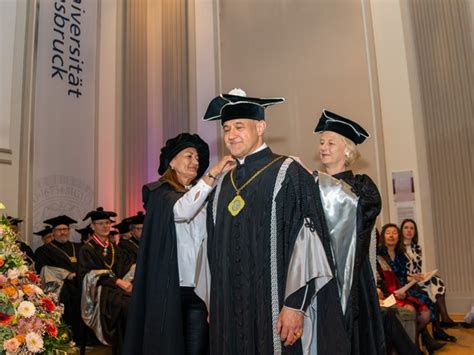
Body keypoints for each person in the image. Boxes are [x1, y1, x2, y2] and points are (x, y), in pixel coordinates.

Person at [198, 90, 333, 354]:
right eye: (226, 129)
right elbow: (211, 249)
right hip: (228, 310)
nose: (231, 135)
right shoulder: (223, 182)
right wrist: (213, 302)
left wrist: (295, 305)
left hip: (273, 310)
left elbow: (307, 243)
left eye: (239, 126)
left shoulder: (288, 173)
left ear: (260, 127)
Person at [124, 133, 235, 355]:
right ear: (171, 162)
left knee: (198, 349)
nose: (195, 162)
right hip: (168, 289)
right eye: (188, 156)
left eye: (197, 158)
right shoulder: (159, 193)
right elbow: (183, 210)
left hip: (198, 291)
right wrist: (214, 172)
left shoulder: (203, 198)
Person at [309, 109, 385, 354]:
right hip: (318, 272)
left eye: (331, 142)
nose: (324, 147)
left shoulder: (362, 188)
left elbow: (357, 227)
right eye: (322, 142)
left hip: (352, 275)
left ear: (348, 150)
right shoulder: (310, 186)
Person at [377, 223, 444, 353]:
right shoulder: (378, 255)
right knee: (411, 310)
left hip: (402, 291)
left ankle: (410, 343)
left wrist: (411, 281)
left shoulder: (401, 255)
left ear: (399, 237)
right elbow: (379, 281)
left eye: (395, 233)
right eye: (388, 232)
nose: (391, 235)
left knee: (426, 314)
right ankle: (412, 348)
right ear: (383, 236)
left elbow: (401, 277)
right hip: (387, 293)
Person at [79, 207, 132, 355]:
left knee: (137, 301)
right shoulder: (87, 249)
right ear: (92, 226)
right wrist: (117, 282)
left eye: (108, 223)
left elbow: (124, 270)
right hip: (98, 292)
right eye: (101, 223)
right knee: (126, 305)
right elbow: (87, 276)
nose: (105, 226)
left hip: (117, 289)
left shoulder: (114, 248)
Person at [401, 218, 457, 341]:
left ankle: (441, 325)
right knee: (432, 291)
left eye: (412, 228)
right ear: (402, 231)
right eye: (406, 228)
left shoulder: (417, 248)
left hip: (417, 280)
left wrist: (422, 276)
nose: (409, 231)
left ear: (415, 232)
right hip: (407, 282)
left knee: (436, 282)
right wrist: (412, 278)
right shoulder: (399, 249)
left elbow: (417, 268)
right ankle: (443, 322)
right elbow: (400, 272)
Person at [34, 215, 84, 343]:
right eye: (59, 230)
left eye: (65, 229)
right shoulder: (44, 250)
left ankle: (81, 339)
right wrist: (65, 274)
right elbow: (44, 270)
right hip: (60, 289)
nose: (63, 232)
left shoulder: (78, 247)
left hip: (79, 285)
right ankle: (64, 339)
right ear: (53, 232)